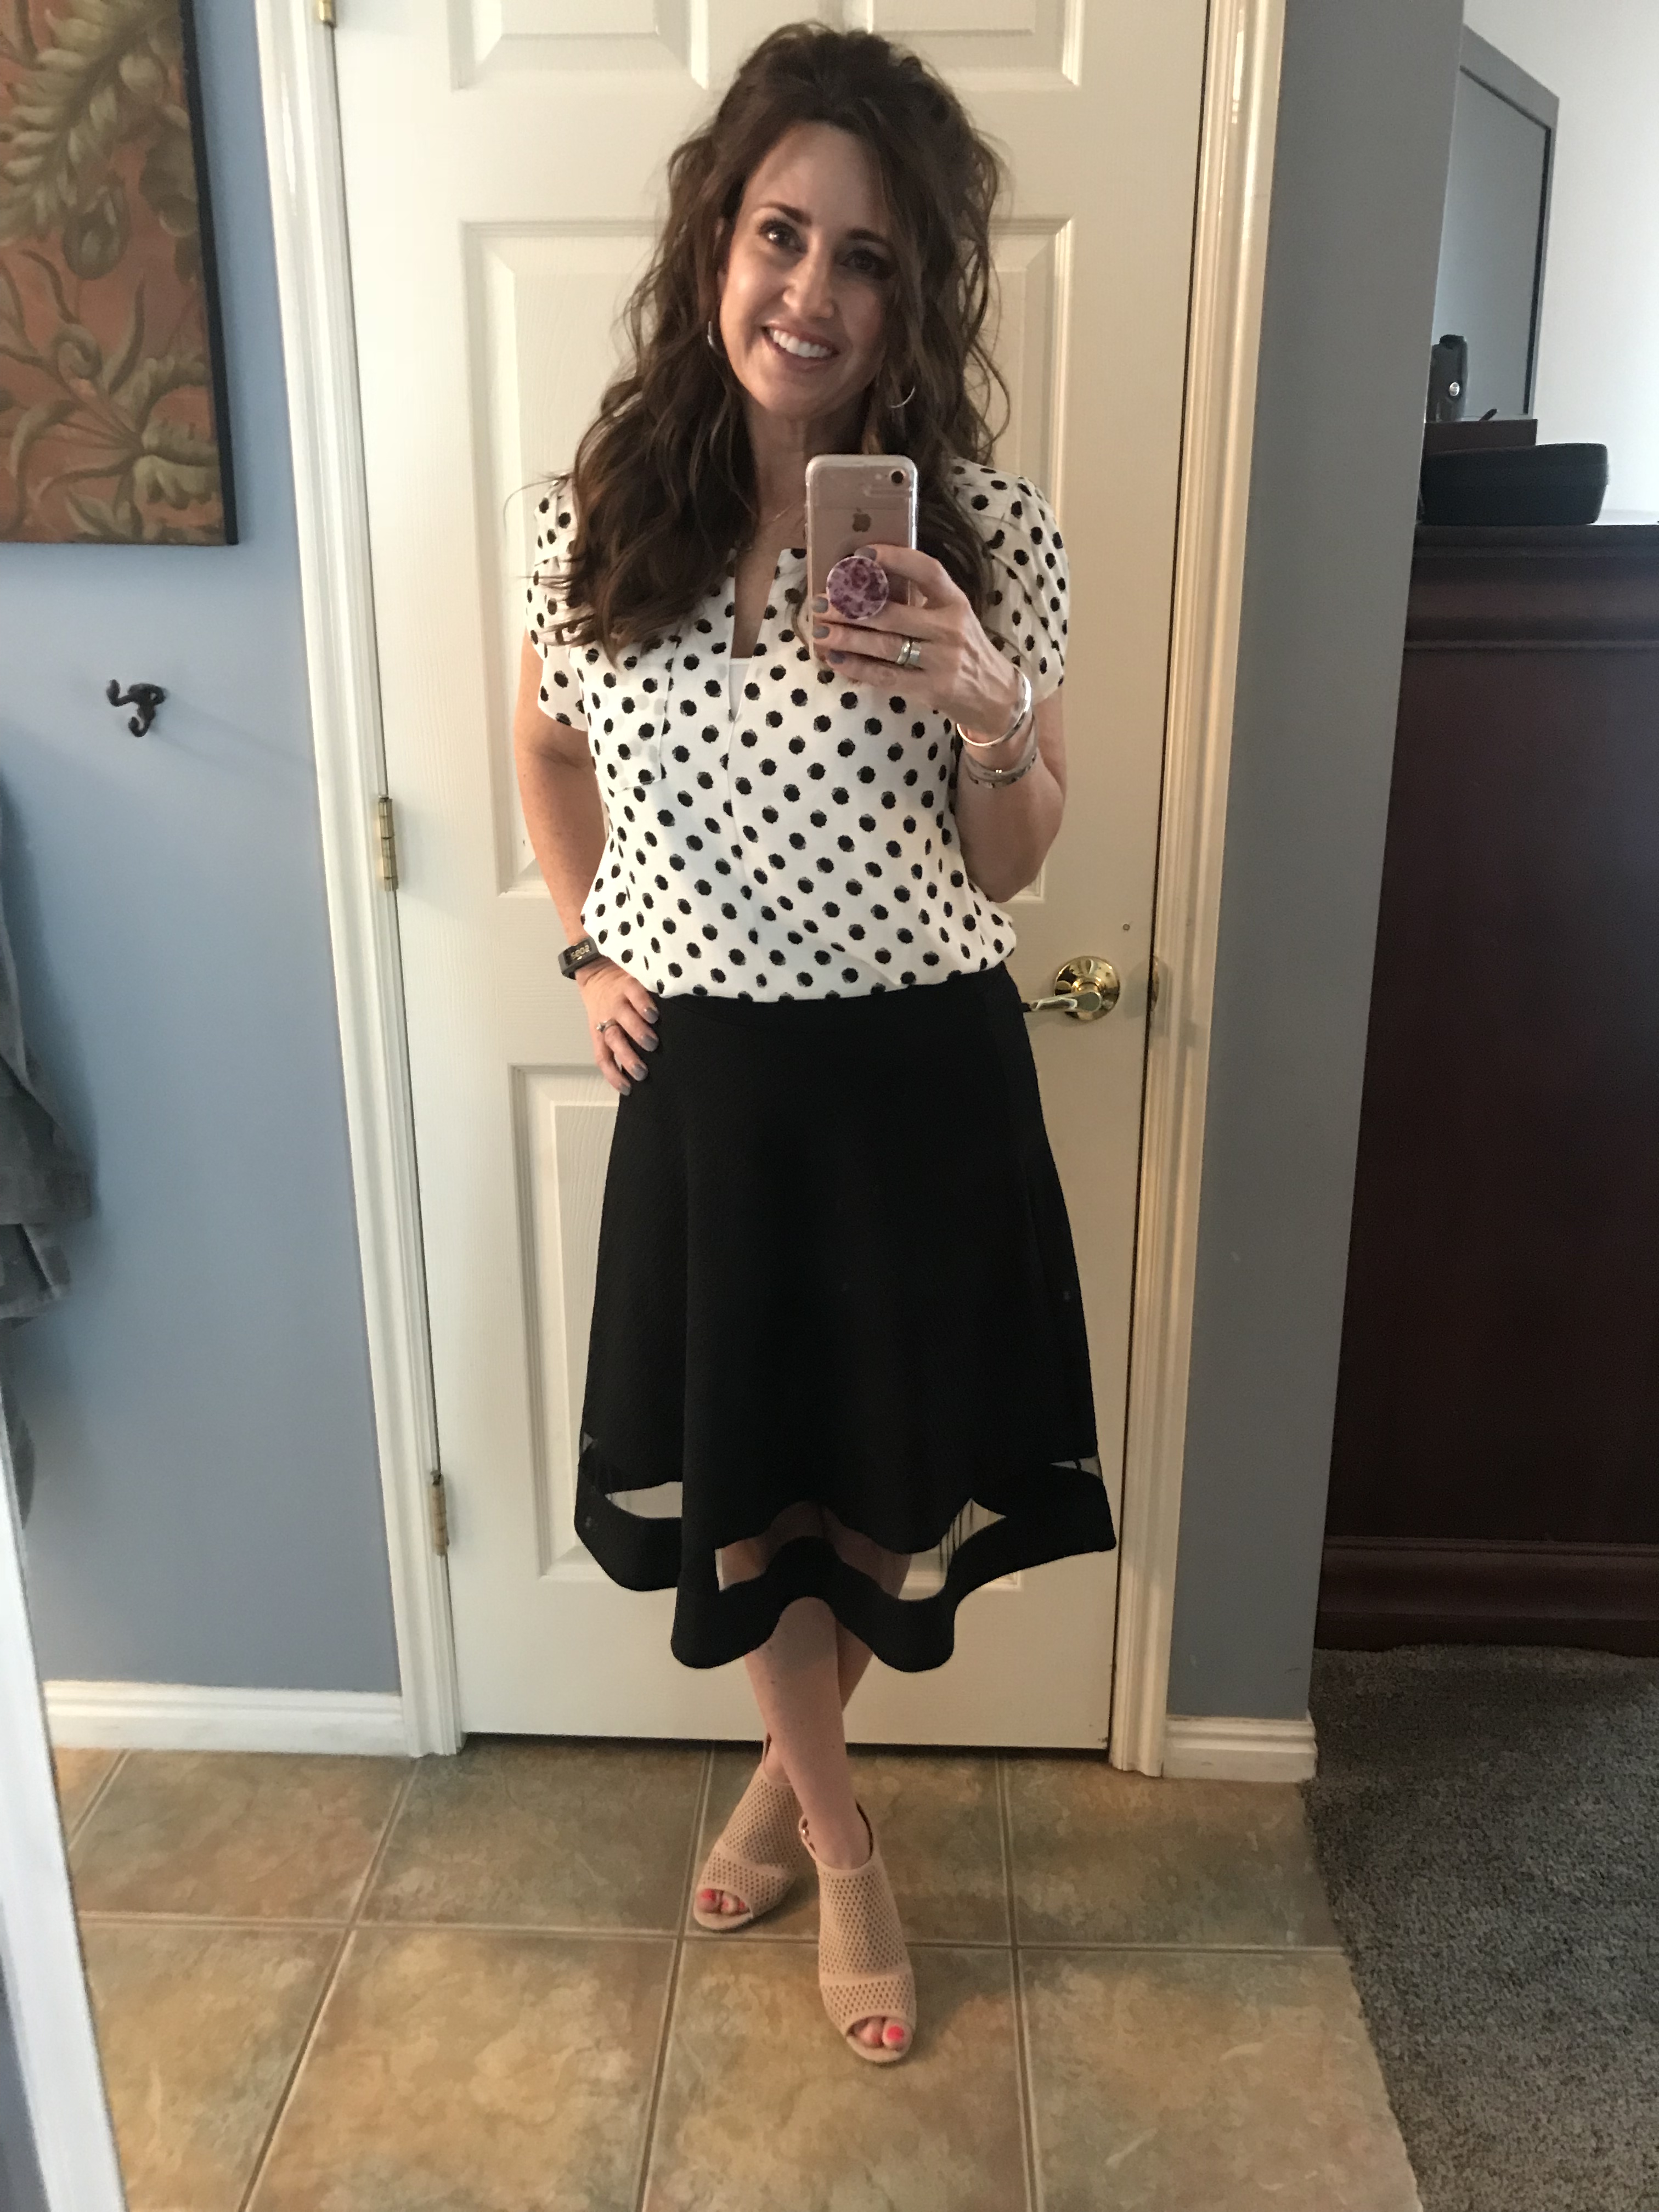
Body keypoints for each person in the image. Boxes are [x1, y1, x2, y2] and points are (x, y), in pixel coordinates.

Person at [515, 21, 1115, 2065]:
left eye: (868, 256)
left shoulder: (990, 537)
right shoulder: (598, 515)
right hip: (714, 1097)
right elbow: (541, 750)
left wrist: (988, 707)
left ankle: (786, 1788)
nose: (813, 291)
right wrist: (584, 947)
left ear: (914, 295)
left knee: (872, 1500)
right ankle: (851, 1850)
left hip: (925, 1085)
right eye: (782, 233)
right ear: (718, 241)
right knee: (757, 1504)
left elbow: (1017, 860)